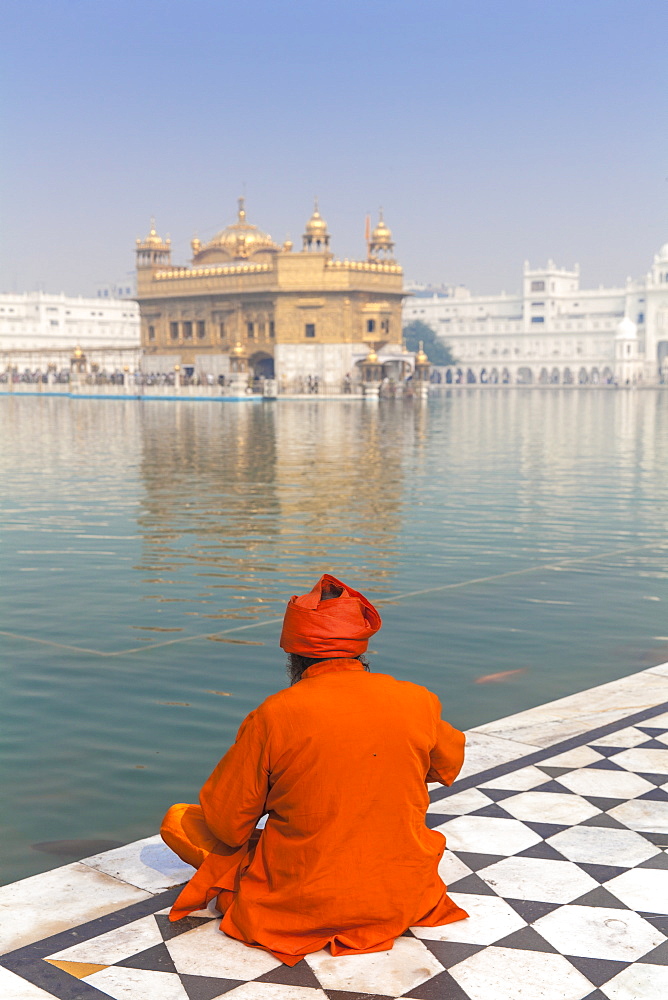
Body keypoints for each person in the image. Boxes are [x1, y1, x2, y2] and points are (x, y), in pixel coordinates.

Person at [160, 574, 468, 966]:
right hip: (401, 896)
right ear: (360, 648)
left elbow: (227, 823)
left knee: (180, 819)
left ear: (294, 655)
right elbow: (447, 765)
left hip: (301, 902)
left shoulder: (275, 714)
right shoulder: (417, 700)